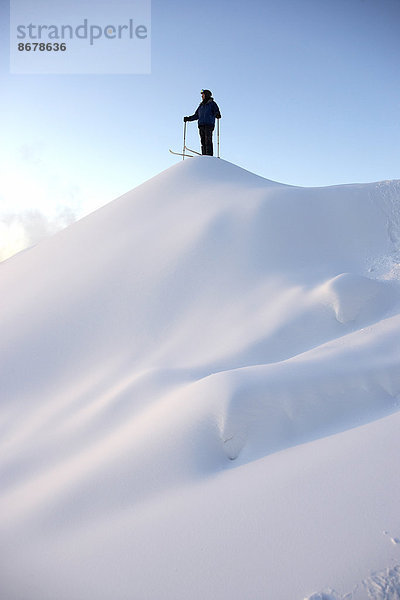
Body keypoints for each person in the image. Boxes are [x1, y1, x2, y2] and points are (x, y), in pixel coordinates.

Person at [184, 89, 221, 156]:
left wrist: (217, 114)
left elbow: (216, 110)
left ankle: (209, 155)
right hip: (201, 125)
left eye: (203, 95)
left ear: (206, 95)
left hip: (209, 124)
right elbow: (196, 115)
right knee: (203, 141)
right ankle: (204, 155)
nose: (202, 96)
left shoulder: (212, 104)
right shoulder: (201, 106)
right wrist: (188, 118)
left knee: (208, 140)